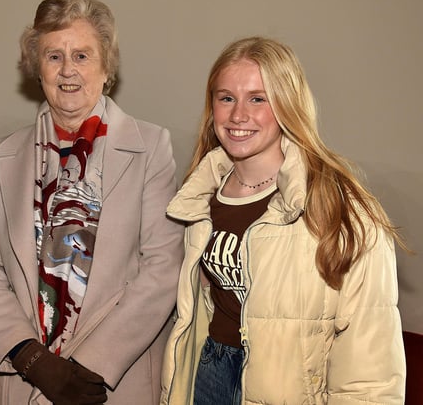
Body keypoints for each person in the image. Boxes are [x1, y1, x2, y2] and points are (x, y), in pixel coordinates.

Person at [160, 36, 407, 404]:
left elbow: (371, 367)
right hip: (210, 373)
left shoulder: (341, 208)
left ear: (287, 104)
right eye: (226, 97)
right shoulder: (199, 193)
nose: (238, 115)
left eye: (258, 99)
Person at [0, 0, 184, 405]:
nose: (68, 70)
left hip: (108, 385)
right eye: (53, 56)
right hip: (23, 380)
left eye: (82, 55)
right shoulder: (5, 154)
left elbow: (163, 267)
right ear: (37, 68)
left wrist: (89, 366)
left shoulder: (151, 146)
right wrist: (31, 357)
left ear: (106, 67)